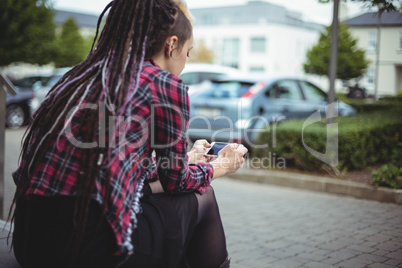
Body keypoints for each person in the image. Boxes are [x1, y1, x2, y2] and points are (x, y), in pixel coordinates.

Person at [9, 0, 247, 267]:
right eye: (188, 53)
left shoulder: (80, 75)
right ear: (171, 45)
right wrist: (221, 166)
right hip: (88, 252)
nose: (185, 62)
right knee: (204, 197)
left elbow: (119, 167)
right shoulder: (162, 83)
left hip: (30, 242)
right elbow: (175, 183)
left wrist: (188, 159)